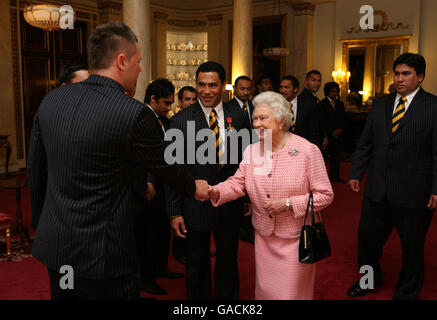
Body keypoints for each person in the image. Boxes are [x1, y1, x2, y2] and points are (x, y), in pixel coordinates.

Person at [27, 22, 209, 300]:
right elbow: (166, 167)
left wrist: (43, 226)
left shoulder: (52, 100)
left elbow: (36, 171)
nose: (139, 69)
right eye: (138, 62)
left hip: (57, 245)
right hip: (105, 253)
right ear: (122, 61)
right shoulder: (133, 113)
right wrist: (196, 187)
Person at [208, 91, 334, 300]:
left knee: (290, 295)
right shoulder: (252, 151)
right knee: (266, 292)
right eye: (255, 119)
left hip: (295, 238)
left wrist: (288, 203)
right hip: (265, 237)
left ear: (282, 120)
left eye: (263, 118)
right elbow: (238, 183)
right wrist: (216, 191)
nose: (257, 124)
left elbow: (325, 195)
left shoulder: (306, 150)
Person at [347, 53, 437, 300]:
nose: (399, 78)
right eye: (396, 73)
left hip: (415, 192)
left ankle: (407, 292)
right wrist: (356, 172)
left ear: (420, 76)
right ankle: (368, 281)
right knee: (366, 242)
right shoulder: (381, 105)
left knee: (412, 248)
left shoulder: (433, 106)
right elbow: (365, 143)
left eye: (406, 74)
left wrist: (436, 189)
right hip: (378, 189)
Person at [166, 61, 251, 300]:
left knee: (228, 260)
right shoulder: (181, 121)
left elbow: (245, 162)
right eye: (201, 84)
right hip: (195, 203)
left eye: (212, 85)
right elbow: (173, 170)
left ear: (223, 86)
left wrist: (247, 197)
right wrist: (174, 212)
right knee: (196, 264)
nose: (206, 91)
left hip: (230, 201)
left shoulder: (239, 117)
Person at [136, 78, 184, 295]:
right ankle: (146, 278)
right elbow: (142, 156)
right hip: (149, 187)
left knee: (163, 231)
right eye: (166, 102)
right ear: (153, 99)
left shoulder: (163, 121)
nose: (170, 107)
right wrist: (148, 183)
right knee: (149, 236)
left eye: (172, 102)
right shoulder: (141, 119)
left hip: (165, 187)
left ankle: (161, 267)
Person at [229, 75, 256, 244]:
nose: (246, 92)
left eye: (248, 89)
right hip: (234, 157)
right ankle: (238, 228)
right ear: (235, 89)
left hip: (253, 155)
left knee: (251, 193)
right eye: (242, 89)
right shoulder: (228, 108)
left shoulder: (255, 107)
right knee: (236, 193)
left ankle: (247, 227)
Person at [279, 75, 320, 146]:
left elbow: (314, 131)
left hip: (303, 148)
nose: (282, 90)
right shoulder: (275, 106)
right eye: (281, 87)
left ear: (295, 89)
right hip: (281, 149)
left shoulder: (308, 106)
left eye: (286, 87)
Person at [319, 82, 346, 182]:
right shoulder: (322, 104)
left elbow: (343, 119)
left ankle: (335, 177)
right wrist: (329, 133)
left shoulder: (340, 104)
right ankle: (323, 179)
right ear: (327, 92)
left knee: (336, 157)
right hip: (326, 135)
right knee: (324, 158)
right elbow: (322, 121)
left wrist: (340, 129)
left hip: (338, 134)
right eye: (332, 91)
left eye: (336, 91)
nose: (335, 93)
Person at [300, 70, 328, 152]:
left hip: (316, 139)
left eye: (319, 81)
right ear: (306, 81)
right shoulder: (304, 98)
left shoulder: (313, 97)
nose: (317, 83)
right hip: (310, 141)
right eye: (313, 80)